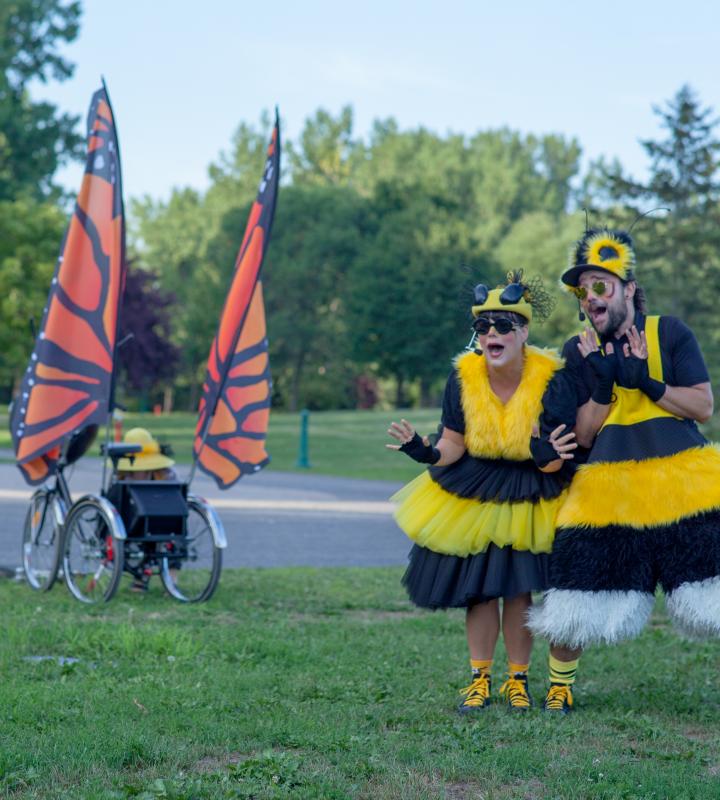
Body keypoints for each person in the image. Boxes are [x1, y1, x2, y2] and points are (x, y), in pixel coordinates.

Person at [529, 226, 720, 713]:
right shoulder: (577, 352)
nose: (590, 297)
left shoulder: (669, 332)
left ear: (629, 288)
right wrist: (602, 386)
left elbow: (702, 407)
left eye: (601, 285)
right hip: (608, 488)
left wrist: (648, 383)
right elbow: (584, 436)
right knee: (576, 588)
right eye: (582, 289)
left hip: (684, 483)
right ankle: (559, 686)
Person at [387, 272, 577, 713]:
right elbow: (453, 443)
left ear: (523, 331)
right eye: (483, 326)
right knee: (479, 589)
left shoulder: (552, 380)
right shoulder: (462, 377)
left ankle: (517, 680)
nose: (492, 333)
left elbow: (555, 460)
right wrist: (425, 452)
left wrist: (541, 452)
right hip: (475, 485)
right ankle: (479, 679)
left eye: (503, 325)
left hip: (532, 488)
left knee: (517, 588)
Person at [114, 427, 178, 591]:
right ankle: (165, 580)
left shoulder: (122, 475)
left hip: (147, 521)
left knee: (157, 535)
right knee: (165, 536)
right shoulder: (168, 475)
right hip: (153, 521)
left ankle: (147, 579)